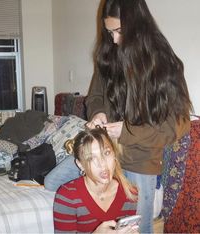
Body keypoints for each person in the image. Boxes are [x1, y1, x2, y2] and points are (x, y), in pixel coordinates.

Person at [85, 0, 193, 233]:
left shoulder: (163, 64)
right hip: (105, 150)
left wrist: (127, 132)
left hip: (140, 161)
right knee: (55, 182)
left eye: (119, 31)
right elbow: (93, 97)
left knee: (137, 229)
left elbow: (178, 125)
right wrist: (98, 112)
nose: (113, 39)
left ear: (137, 27)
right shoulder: (108, 56)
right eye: (109, 31)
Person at [53, 127, 139, 233]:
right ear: (80, 165)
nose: (102, 164)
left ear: (114, 154)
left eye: (106, 153)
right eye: (91, 158)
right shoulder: (67, 196)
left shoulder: (130, 193)